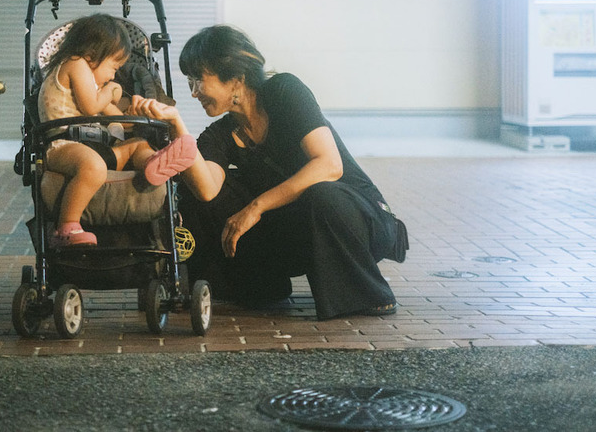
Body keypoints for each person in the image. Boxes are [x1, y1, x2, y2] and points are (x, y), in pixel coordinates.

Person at [129, 25, 408, 320]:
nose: (194, 92)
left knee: (320, 193)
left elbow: (329, 164)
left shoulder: (284, 92)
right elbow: (207, 190)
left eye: (200, 80)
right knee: (190, 187)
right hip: (301, 229)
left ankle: (368, 295)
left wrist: (255, 207)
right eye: (190, 81)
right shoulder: (219, 135)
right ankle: (261, 286)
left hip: (360, 220)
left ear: (236, 78)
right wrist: (176, 124)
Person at [38, 13, 197, 248]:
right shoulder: (76, 63)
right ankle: (66, 227)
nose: (114, 75)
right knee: (93, 166)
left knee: (137, 145)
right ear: (93, 54)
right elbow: (91, 106)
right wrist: (112, 90)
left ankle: (154, 163)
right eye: (114, 67)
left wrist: (137, 114)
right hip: (64, 145)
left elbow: (120, 122)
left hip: (95, 147)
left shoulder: (94, 85)